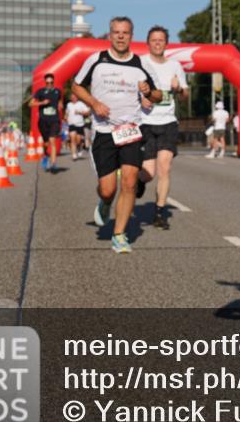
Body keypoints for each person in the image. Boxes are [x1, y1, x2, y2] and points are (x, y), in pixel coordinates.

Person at [72, 16, 162, 254]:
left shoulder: (141, 64)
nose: (121, 36)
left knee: (131, 182)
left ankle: (119, 234)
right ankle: (105, 202)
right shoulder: (97, 60)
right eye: (116, 32)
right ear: (110, 35)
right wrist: (93, 102)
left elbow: (159, 96)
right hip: (104, 132)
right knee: (108, 188)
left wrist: (149, 91)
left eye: (125, 32)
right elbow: (76, 85)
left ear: (131, 36)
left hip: (131, 130)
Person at [137, 25, 188, 229]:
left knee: (164, 168)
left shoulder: (175, 66)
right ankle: (139, 182)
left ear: (166, 43)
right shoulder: (140, 64)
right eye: (154, 40)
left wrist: (178, 89)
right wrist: (140, 99)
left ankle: (159, 213)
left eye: (161, 40)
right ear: (148, 43)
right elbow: (130, 91)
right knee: (148, 173)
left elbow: (185, 96)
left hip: (168, 122)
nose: (157, 43)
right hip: (146, 123)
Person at [29, 73, 64, 172]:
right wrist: (41, 103)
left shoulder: (58, 91)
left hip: (55, 120)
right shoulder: (40, 92)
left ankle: (53, 163)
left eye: (51, 82)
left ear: (53, 82)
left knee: (52, 140)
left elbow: (60, 101)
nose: (49, 84)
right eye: (47, 82)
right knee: (46, 143)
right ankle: (45, 155)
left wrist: (61, 106)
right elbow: (30, 104)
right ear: (45, 82)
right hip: (43, 121)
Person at [65, 92, 91, 160]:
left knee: (78, 140)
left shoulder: (81, 104)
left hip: (80, 124)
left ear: (77, 97)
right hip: (71, 124)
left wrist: (79, 112)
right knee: (72, 139)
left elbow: (88, 112)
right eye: (72, 97)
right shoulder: (69, 104)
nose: (73, 98)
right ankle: (74, 154)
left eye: (75, 97)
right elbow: (67, 112)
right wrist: (66, 117)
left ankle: (79, 148)